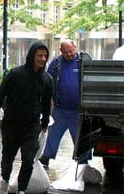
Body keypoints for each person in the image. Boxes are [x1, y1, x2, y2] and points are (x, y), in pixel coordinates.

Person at [0, 41, 52, 194]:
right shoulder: (15, 74)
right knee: (8, 155)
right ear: (32, 55)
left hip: (32, 125)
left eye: (45, 56)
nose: (43, 59)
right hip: (11, 123)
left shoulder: (47, 79)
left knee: (28, 157)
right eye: (39, 55)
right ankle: (4, 181)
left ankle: (21, 192)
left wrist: (45, 123)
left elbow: (46, 104)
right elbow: (1, 94)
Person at [39, 39, 91, 167]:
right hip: (60, 109)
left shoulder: (84, 62)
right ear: (61, 51)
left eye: (71, 51)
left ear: (75, 47)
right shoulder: (56, 63)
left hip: (78, 110)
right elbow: (48, 82)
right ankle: (46, 157)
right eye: (65, 52)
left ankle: (83, 161)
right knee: (53, 135)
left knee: (80, 137)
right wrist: (48, 100)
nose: (68, 54)